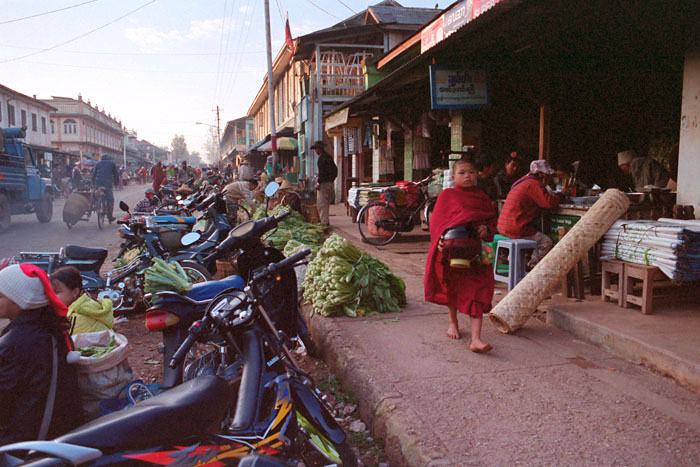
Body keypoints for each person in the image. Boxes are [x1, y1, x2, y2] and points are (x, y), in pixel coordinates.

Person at [0, 264, 83, 445]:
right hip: (58, 429)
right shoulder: (51, 326)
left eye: (0, 295)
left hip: (27, 441)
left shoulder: (16, 343)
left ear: (19, 300)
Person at [424, 157, 496, 353]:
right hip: (452, 252)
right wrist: (439, 240)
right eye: (462, 173)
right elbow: (437, 225)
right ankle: (453, 322)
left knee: (477, 290)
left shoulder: (482, 198)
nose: (467, 176)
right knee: (453, 287)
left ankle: (476, 339)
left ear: (477, 175)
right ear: (454, 176)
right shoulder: (447, 196)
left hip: (476, 253)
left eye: (471, 172)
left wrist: (484, 229)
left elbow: (491, 224)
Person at [497, 160, 562, 268]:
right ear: (541, 174)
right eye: (547, 176)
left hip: (503, 226)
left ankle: (518, 263)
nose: (548, 179)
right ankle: (533, 267)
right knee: (546, 242)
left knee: (534, 235)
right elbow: (548, 203)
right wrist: (560, 197)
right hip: (515, 227)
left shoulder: (521, 181)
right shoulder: (534, 184)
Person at [50, 266, 113, 335]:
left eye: (56, 292)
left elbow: (67, 343)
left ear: (75, 292)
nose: (51, 296)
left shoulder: (77, 318)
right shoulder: (88, 304)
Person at [312, 140, 337, 226]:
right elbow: (334, 170)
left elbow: (322, 173)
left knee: (322, 204)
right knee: (325, 204)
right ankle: (325, 221)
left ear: (319, 149)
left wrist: (318, 183)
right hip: (330, 183)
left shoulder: (322, 159)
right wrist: (331, 180)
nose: (315, 151)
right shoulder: (328, 157)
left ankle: (324, 223)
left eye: (316, 149)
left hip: (324, 184)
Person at [92, 154, 119, 222]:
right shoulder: (112, 163)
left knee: (97, 195)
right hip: (108, 185)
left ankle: (98, 204)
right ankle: (110, 216)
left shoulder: (98, 163)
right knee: (110, 200)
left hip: (98, 184)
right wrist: (116, 183)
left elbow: (94, 174)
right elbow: (116, 174)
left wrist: (93, 183)